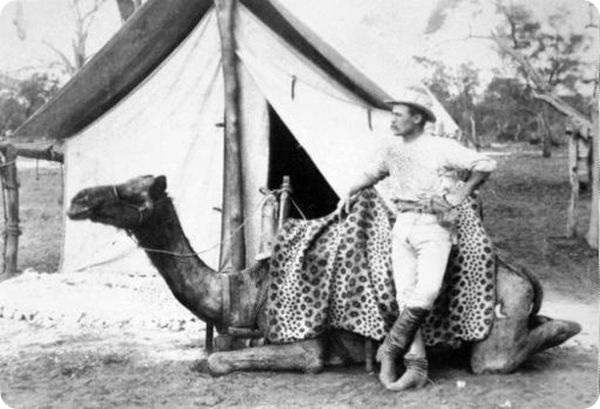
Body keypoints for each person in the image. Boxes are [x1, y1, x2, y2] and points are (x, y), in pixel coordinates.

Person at [336, 86, 497, 391]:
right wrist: (349, 191)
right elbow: (372, 173)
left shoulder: (441, 147)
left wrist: (459, 194)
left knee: (428, 290)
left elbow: (486, 164)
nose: (392, 120)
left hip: (433, 225)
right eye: (392, 115)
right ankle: (416, 367)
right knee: (405, 296)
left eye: (398, 115)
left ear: (418, 118)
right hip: (403, 224)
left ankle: (391, 346)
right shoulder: (392, 149)